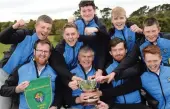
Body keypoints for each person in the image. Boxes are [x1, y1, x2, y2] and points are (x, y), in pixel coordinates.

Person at [0, 15, 53, 109]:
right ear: (36, 26)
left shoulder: (45, 45)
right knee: (4, 105)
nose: (45, 31)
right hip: (5, 74)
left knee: (16, 105)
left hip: (21, 79)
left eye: (48, 28)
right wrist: (14, 26)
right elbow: (2, 38)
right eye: (43, 27)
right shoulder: (24, 34)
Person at [105, 17, 170, 83]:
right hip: (151, 79)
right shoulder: (139, 44)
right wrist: (114, 72)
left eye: (153, 31)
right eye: (147, 32)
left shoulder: (168, 39)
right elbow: (130, 59)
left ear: (159, 30)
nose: (151, 35)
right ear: (143, 31)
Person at [0, 39, 58, 109]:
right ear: (34, 51)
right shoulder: (21, 69)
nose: (42, 54)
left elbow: (60, 93)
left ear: (49, 53)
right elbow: (3, 90)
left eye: (46, 51)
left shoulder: (55, 71)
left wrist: (55, 106)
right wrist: (17, 89)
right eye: (40, 50)